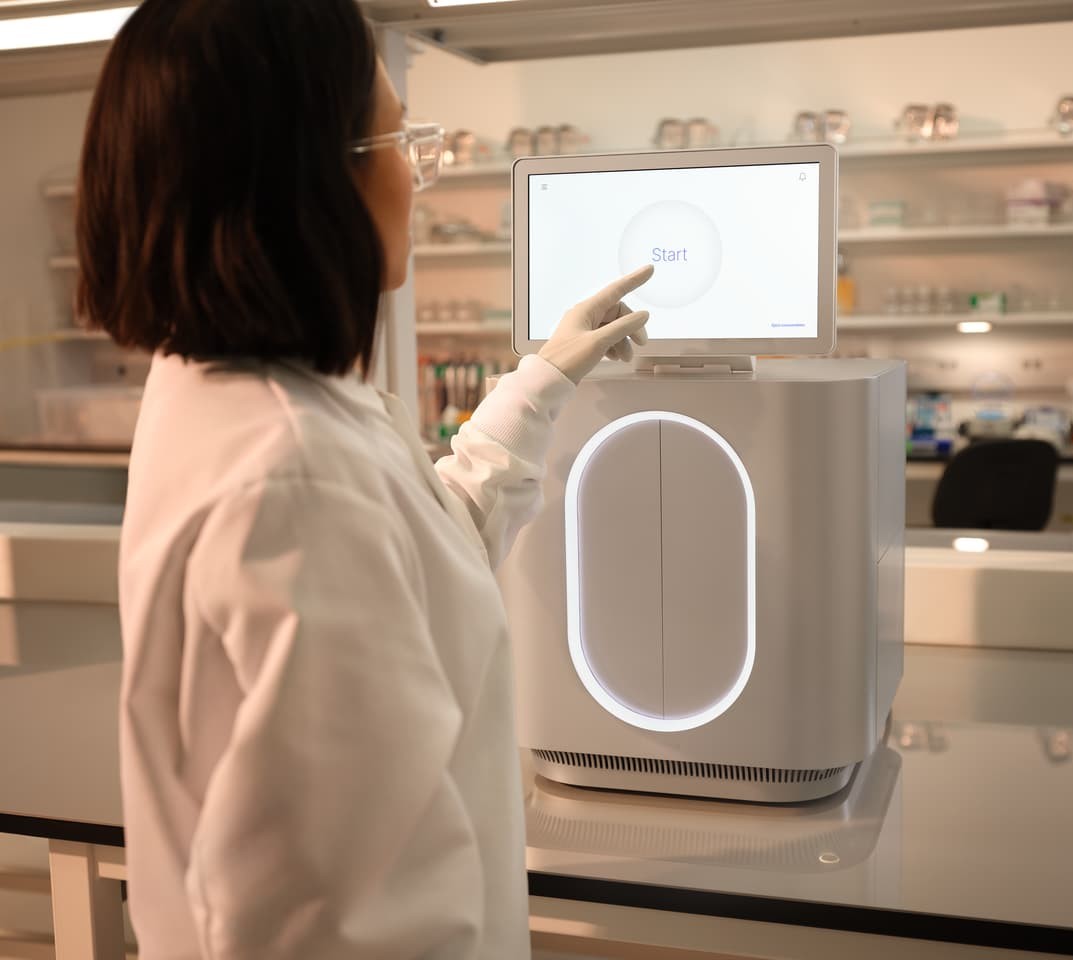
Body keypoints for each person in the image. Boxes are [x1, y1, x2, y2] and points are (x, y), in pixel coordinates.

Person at [75, 0, 651, 956]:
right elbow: (360, 928)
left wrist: (540, 382)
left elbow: (416, 572)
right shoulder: (297, 477)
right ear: (307, 176)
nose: (415, 174)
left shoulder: (222, 392)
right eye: (398, 137)